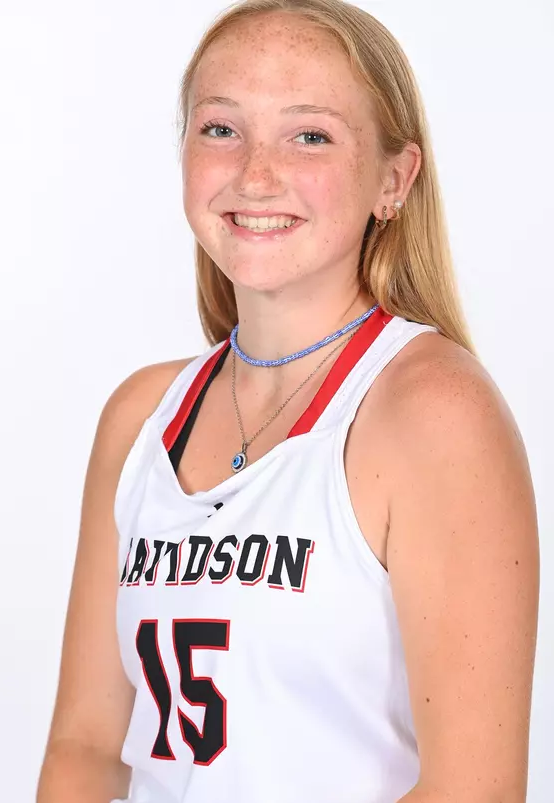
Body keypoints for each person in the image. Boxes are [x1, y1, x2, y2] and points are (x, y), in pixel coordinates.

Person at [37, 1, 540, 802]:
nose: (254, 174)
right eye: (220, 129)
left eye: (308, 135)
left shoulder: (433, 412)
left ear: (393, 178)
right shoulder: (140, 417)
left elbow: (472, 790)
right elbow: (87, 746)